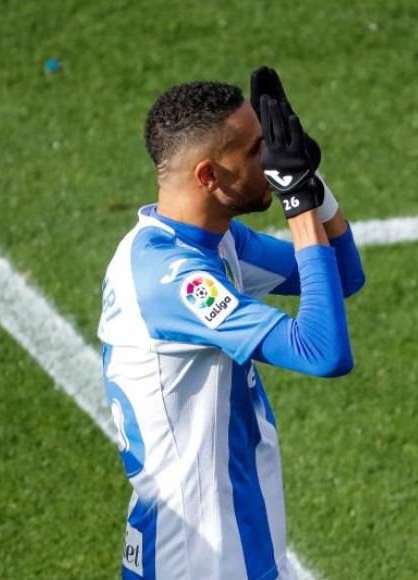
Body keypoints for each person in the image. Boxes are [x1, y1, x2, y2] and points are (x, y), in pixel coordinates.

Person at [97, 68, 365, 579]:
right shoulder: (171, 279)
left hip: (240, 542)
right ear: (208, 176)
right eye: (257, 151)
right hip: (201, 559)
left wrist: (310, 181)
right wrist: (295, 201)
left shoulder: (212, 238)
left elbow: (344, 274)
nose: (272, 161)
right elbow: (323, 352)